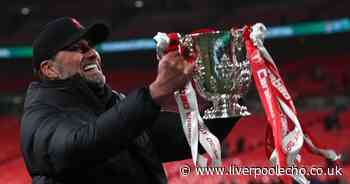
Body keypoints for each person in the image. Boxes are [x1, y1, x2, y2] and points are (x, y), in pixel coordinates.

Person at [20, 17, 241, 184]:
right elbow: (79, 147)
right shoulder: (40, 116)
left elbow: (189, 136)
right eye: (77, 48)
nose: (92, 54)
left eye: (91, 47)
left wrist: (229, 94)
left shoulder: (114, 103)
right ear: (49, 69)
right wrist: (155, 92)